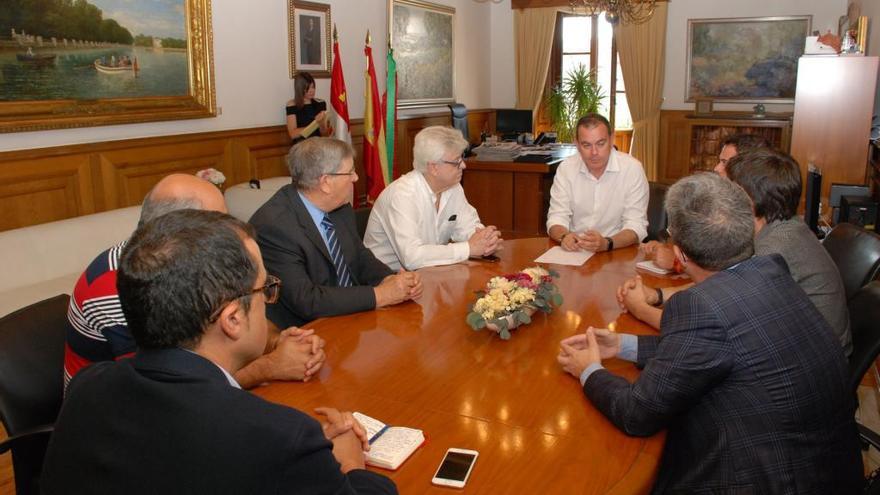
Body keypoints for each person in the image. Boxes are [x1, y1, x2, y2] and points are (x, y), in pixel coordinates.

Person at [41, 210, 397, 494]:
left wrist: (301, 456)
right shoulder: (279, 437)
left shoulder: (87, 387)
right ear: (232, 320)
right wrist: (351, 466)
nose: (269, 303)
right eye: (266, 290)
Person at [558, 173, 863, 494]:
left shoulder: (701, 307)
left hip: (768, 478)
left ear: (681, 254)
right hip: (829, 473)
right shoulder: (773, 270)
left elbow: (636, 414)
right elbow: (710, 350)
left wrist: (589, 370)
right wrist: (623, 345)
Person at [63, 174, 325, 390]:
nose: (233, 231)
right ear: (180, 233)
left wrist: (278, 341)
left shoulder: (190, 266)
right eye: (220, 223)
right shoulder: (123, 286)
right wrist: (270, 366)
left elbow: (241, 303)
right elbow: (165, 390)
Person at [621, 149, 853, 356]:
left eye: (727, 190)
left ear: (748, 199)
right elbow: (721, 284)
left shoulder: (772, 252)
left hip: (810, 362)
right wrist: (658, 296)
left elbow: (707, 330)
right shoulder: (779, 227)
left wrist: (640, 309)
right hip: (804, 347)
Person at [250, 137, 422, 328]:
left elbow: (359, 255)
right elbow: (306, 300)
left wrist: (390, 279)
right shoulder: (275, 226)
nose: (356, 178)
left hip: (352, 316)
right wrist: (381, 294)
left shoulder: (339, 207)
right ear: (325, 182)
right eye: (350, 172)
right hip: (307, 330)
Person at [364, 126, 502, 271]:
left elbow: (468, 227)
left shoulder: (453, 187)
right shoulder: (402, 195)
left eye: (462, 158)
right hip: (388, 280)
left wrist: (485, 239)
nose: (463, 165)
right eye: (456, 161)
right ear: (434, 168)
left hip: (430, 273)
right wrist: (469, 248)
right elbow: (412, 257)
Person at [644, 132, 771, 269]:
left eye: (724, 162)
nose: (716, 168)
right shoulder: (717, 198)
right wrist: (666, 247)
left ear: (748, 168)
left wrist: (678, 263)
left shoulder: (759, 216)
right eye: (719, 161)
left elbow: (734, 274)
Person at [546, 113, 648, 253]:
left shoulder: (632, 169)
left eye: (600, 143)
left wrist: (606, 243)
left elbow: (636, 225)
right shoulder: (566, 168)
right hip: (575, 251)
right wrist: (564, 236)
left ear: (611, 139)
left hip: (617, 250)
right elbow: (556, 217)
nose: (594, 152)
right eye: (586, 145)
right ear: (576, 144)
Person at [286, 71, 331, 143]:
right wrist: (315, 123)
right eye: (307, 88)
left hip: (319, 144)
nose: (311, 91)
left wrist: (321, 124)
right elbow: (293, 134)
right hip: (302, 146)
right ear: (299, 89)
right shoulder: (292, 105)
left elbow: (325, 135)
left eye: (313, 87)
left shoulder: (321, 103)